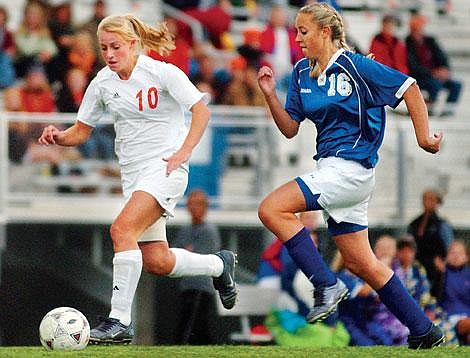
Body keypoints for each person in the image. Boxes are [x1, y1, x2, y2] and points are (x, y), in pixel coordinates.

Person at [38, 14, 238, 345]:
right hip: (134, 177)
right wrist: (58, 137)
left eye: (116, 46)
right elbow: (81, 131)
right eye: (104, 48)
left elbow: (201, 111)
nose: (110, 54)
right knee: (156, 261)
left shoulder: (162, 72)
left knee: (121, 230)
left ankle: (120, 320)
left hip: (165, 168)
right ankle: (219, 265)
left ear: (133, 44)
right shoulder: (102, 82)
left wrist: (184, 150)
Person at [257, 3, 444, 349]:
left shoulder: (356, 66)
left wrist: (423, 138)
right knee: (362, 263)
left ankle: (325, 284)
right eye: (296, 31)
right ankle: (424, 331)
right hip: (332, 171)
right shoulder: (301, 72)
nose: (297, 38)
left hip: (351, 169)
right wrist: (270, 96)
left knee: (271, 209)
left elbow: (410, 88)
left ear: (325, 32)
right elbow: (289, 129)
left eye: (303, 31)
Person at [172, 189, 221, 345]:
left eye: (198, 204)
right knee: (193, 326)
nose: (194, 208)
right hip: (187, 285)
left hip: (202, 286)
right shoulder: (186, 230)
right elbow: (175, 252)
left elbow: (200, 256)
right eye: (191, 204)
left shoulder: (209, 231)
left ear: (205, 207)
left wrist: (186, 253)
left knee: (195, 326)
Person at [405, 13, 462, 117]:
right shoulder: (407, 43)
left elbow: (441, 56)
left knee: (456, 85)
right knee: (435, 85)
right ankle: (427, 109)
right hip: (420, 76)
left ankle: (447, 110)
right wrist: (432, 73)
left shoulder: (430, 41)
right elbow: (413, 66)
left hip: (435, 74)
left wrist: (444, 69)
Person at [408, 189, 454, 298]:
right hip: (417, 264)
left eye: (432, 199)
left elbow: (449, 246)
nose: (428, 202)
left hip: (434, 267)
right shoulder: (415, 223)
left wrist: (443, 262)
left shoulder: (441, 224)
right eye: (425, 199)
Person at [437, 240, 470, 345]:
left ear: (466, 257)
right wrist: (439, 275)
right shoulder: (441, 273)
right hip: (449, 318)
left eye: (460, 253)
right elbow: (434, 295)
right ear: (447, 256)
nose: (456, 256)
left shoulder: (468, 274)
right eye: (452, 253)